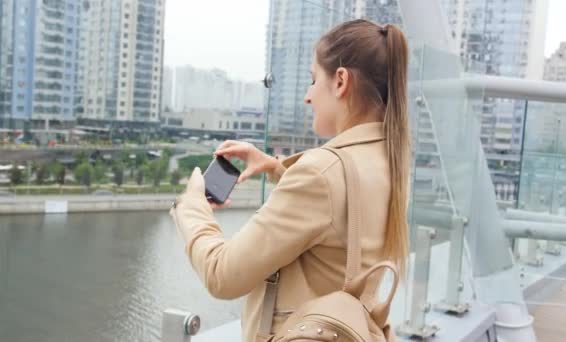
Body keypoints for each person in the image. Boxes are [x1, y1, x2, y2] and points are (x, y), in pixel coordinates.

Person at [170, 19, 411, 341]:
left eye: (313, 80)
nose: (307, 97)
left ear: (341, 81)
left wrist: (191, 207)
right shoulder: (391, 158)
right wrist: (275, 167)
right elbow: (342, 206)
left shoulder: (319, 175)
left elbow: (222, 275)